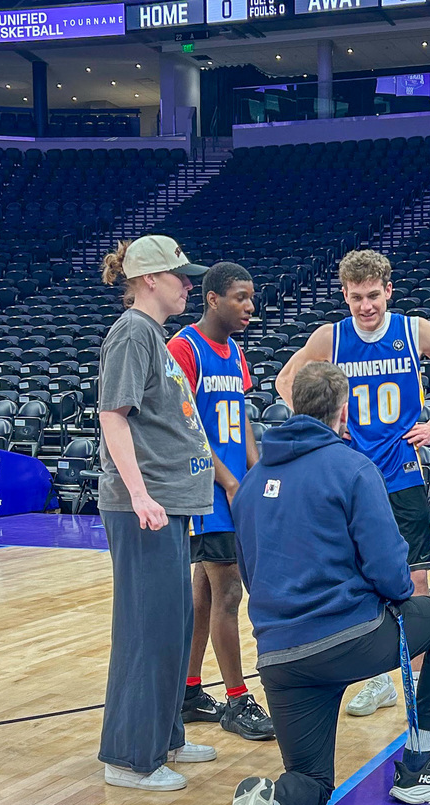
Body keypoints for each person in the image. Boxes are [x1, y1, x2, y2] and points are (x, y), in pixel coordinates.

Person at [216, 361, 430, 805]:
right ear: (342, 412)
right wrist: (394, 598)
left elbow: (249, 571)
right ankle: (421, 758)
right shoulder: (353, 468)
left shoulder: (248, 485)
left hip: (279, 659)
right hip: (350, 639)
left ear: (290, 409)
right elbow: (390, 569)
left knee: (312, 783)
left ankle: (270, 803)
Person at [274, 249, 430, 718]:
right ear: (344, 296)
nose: (365, 306)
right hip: (349, 476)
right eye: (355, 298)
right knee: (359, 582)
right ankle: (381, 682)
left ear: (388, 290)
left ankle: (426, 687)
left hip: (401, 474)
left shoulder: (414, 330)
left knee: (415, 579)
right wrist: (321, 425)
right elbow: (285, 380)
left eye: (373, 296)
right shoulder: (330, 337)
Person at [96, 235, 214, 792]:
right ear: (149, 280)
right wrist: (141, 494)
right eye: (180, 276)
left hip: (168, 503)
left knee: (173, 625)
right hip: (146, 507)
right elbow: (113, 416)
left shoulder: (153, 336)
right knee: (148, 629)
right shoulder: (132, 334)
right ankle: (129, 758)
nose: (189, 284)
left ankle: (164, 736)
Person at [167, 262, 275, 742]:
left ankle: (189, 692)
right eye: (240, 297)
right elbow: (187, 426)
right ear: (212, 298)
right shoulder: (184, 348)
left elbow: (243, 421)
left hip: (233, 488)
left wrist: (255, 473)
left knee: (206, 593)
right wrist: (230, 482)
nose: (250, 306)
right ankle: (236, 700)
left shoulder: (233, 351)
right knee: (229, 592)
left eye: (252, 298)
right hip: (208, 489)